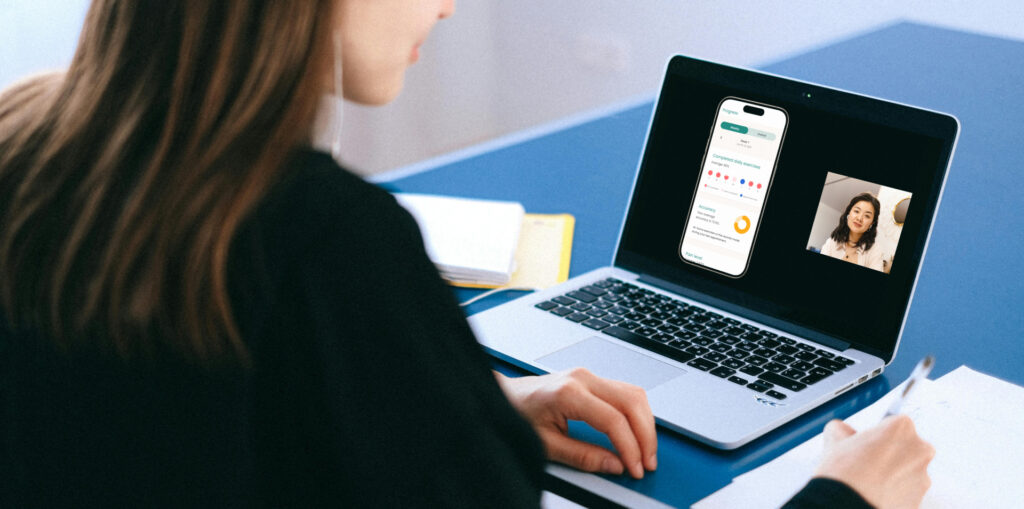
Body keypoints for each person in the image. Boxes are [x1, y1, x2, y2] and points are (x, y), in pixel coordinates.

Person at [0, 1, 932, 507]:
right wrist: (842, 501)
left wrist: (457, 405)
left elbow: (174, 423)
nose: (449, 7)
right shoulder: (329, 244)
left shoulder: (24, 142)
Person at [820, 193, 886, 271]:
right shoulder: (831, 242)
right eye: (857, 211)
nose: (859, 218)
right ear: (848, 213)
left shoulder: (875, 251)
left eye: (867, 216)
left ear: (872, 223)